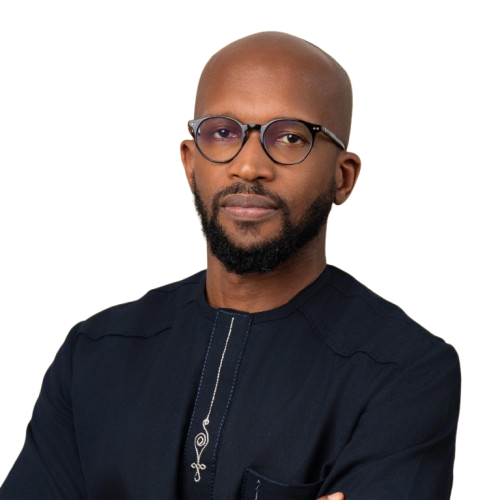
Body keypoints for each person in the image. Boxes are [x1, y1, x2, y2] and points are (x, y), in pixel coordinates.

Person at [1, 31, 461, 499]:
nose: (249, 166)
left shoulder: (405, 372)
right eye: (223, 133)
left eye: (290, 137)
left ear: (344, 178)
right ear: (189, 162)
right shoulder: (94, 353)